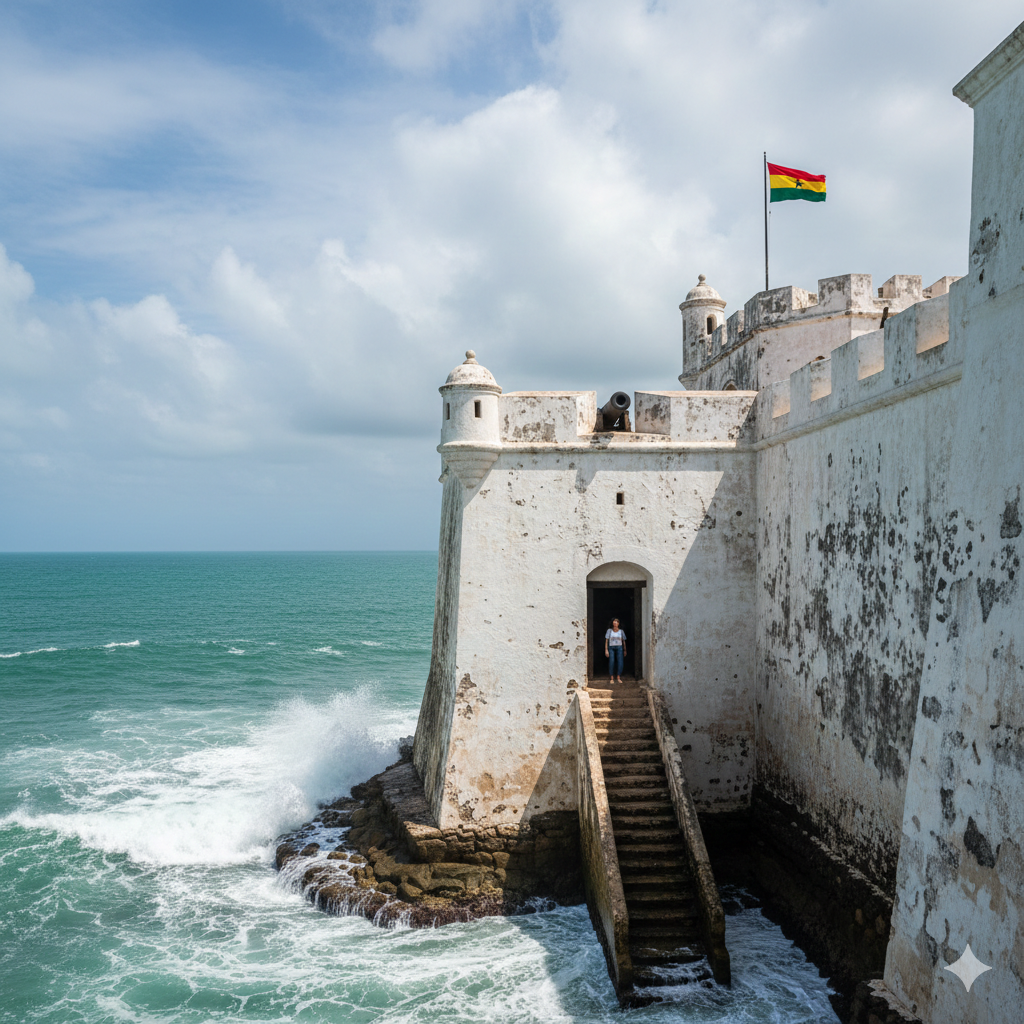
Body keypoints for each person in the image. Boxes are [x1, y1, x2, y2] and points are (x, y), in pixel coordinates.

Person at [604, 618, 626, 684]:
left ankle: (618, 677)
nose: (615, 623)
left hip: (619, 647)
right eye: (614, 621)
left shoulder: (621, 631)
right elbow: (606, 640)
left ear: (618, 623)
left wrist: (625, 650)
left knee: (620, 662)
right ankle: (612, 677)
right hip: (611, 647)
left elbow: (623, 641)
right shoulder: (609, 631)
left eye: (617, 621)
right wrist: (606, 650)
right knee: (611, 661)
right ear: (612, 623)